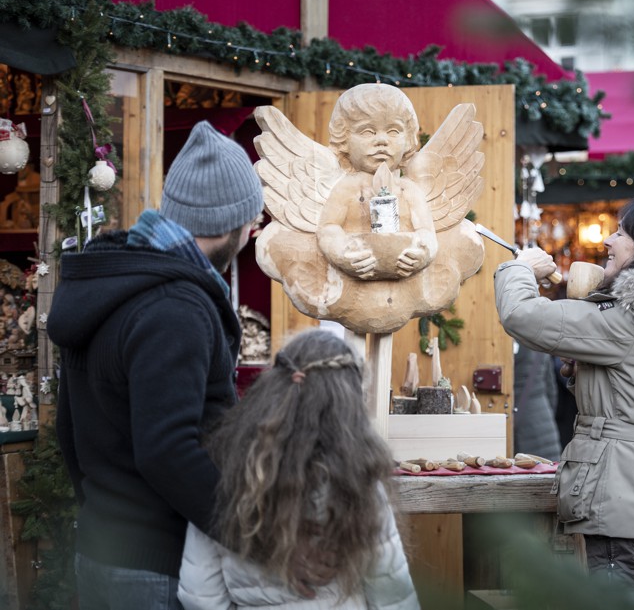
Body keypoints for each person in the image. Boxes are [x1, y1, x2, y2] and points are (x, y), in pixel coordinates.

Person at [49, 120, 264, 610]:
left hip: (104, 549)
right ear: (232, 221)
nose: (254, 230)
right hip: (155, 565)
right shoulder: (176, 307)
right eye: (254, 219)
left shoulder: (118, 280)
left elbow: (68, 428)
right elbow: (167, 450)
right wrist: (254, 535)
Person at [493, 196, 634, 609]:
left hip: (627, 510)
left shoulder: (632, 319)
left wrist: (520, 268)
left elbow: (522, 316)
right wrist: (584, 373)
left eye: (620, 232)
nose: (608, 241)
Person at [178, 328, 419, 610]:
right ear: (350, 403)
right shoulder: (359, 486)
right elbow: (394, 597)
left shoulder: (223, 476)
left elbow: (200, 596)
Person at [316, 83, 437, 280]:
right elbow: (328, 228)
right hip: (355, 286)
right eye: (367, 132)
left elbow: (427, 232)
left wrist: (423, 253)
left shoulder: (409, 190)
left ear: (408, 139)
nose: (382, 141)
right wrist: (341, 254)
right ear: (344, 139)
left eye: (393, 131)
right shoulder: (346, 188)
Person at [512, 342, 562, 463]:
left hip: (522, 433)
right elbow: (551, 389)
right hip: (545, 424)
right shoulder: (537, 340)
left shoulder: (498, 341)